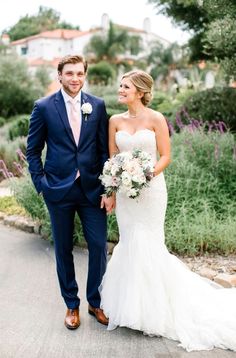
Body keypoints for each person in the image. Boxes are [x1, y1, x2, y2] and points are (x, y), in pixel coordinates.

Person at [99, 70, 236, 352]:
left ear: (139, 91)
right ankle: (132, 309)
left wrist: (144, 175)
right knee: (129, 242)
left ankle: (155, 309)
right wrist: (111, 192)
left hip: (151, 190)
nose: (120, 90)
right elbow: (112, 160)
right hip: (125, 193)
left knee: (150, 243)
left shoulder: (157, 118)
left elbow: (166, 155)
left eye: (125, 86)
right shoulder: (114, 121)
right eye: (120, 86)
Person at [27, 55, 114, 330]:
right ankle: (72, 305)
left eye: (79, 73)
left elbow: (103, 151)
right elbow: (32, 151)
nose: (75, 78)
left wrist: (108, 188)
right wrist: (41, 184)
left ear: (84, 75)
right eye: (70, 73)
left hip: (92, 190)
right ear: (60, 76)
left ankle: (95, 301)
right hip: (58, 190)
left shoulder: (97, 106)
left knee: (99, 246)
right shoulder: (43, 107)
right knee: (63, 249)